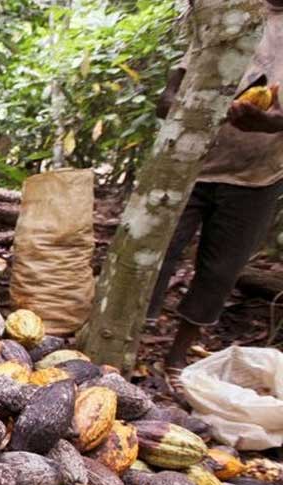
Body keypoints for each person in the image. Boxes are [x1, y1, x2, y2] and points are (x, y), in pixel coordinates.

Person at [149, 0, 283, 387]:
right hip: (189, 167)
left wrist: (270, 123)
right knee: (157, 255)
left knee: (220, 271)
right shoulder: (233, 13)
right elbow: (168, 97)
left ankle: (176, 357)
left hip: (257, 177)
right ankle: (128, 339)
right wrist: (193, 109)